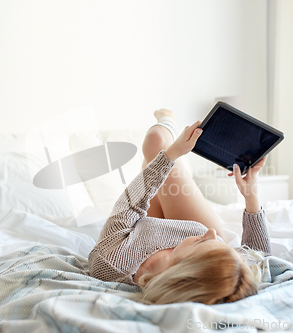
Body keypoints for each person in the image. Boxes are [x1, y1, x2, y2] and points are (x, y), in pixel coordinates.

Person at [88, 109, 271, 305]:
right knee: (156, 148)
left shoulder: (111, 260)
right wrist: (251, 196)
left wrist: (174, 152)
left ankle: (167, 121)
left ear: (179, 269)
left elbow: (131, 203)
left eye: (201, 243)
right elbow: (259, 257)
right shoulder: (217, 255)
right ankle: (165, 139)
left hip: (137, 227)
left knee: (155, 140)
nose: (210, 233)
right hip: (186, 225)